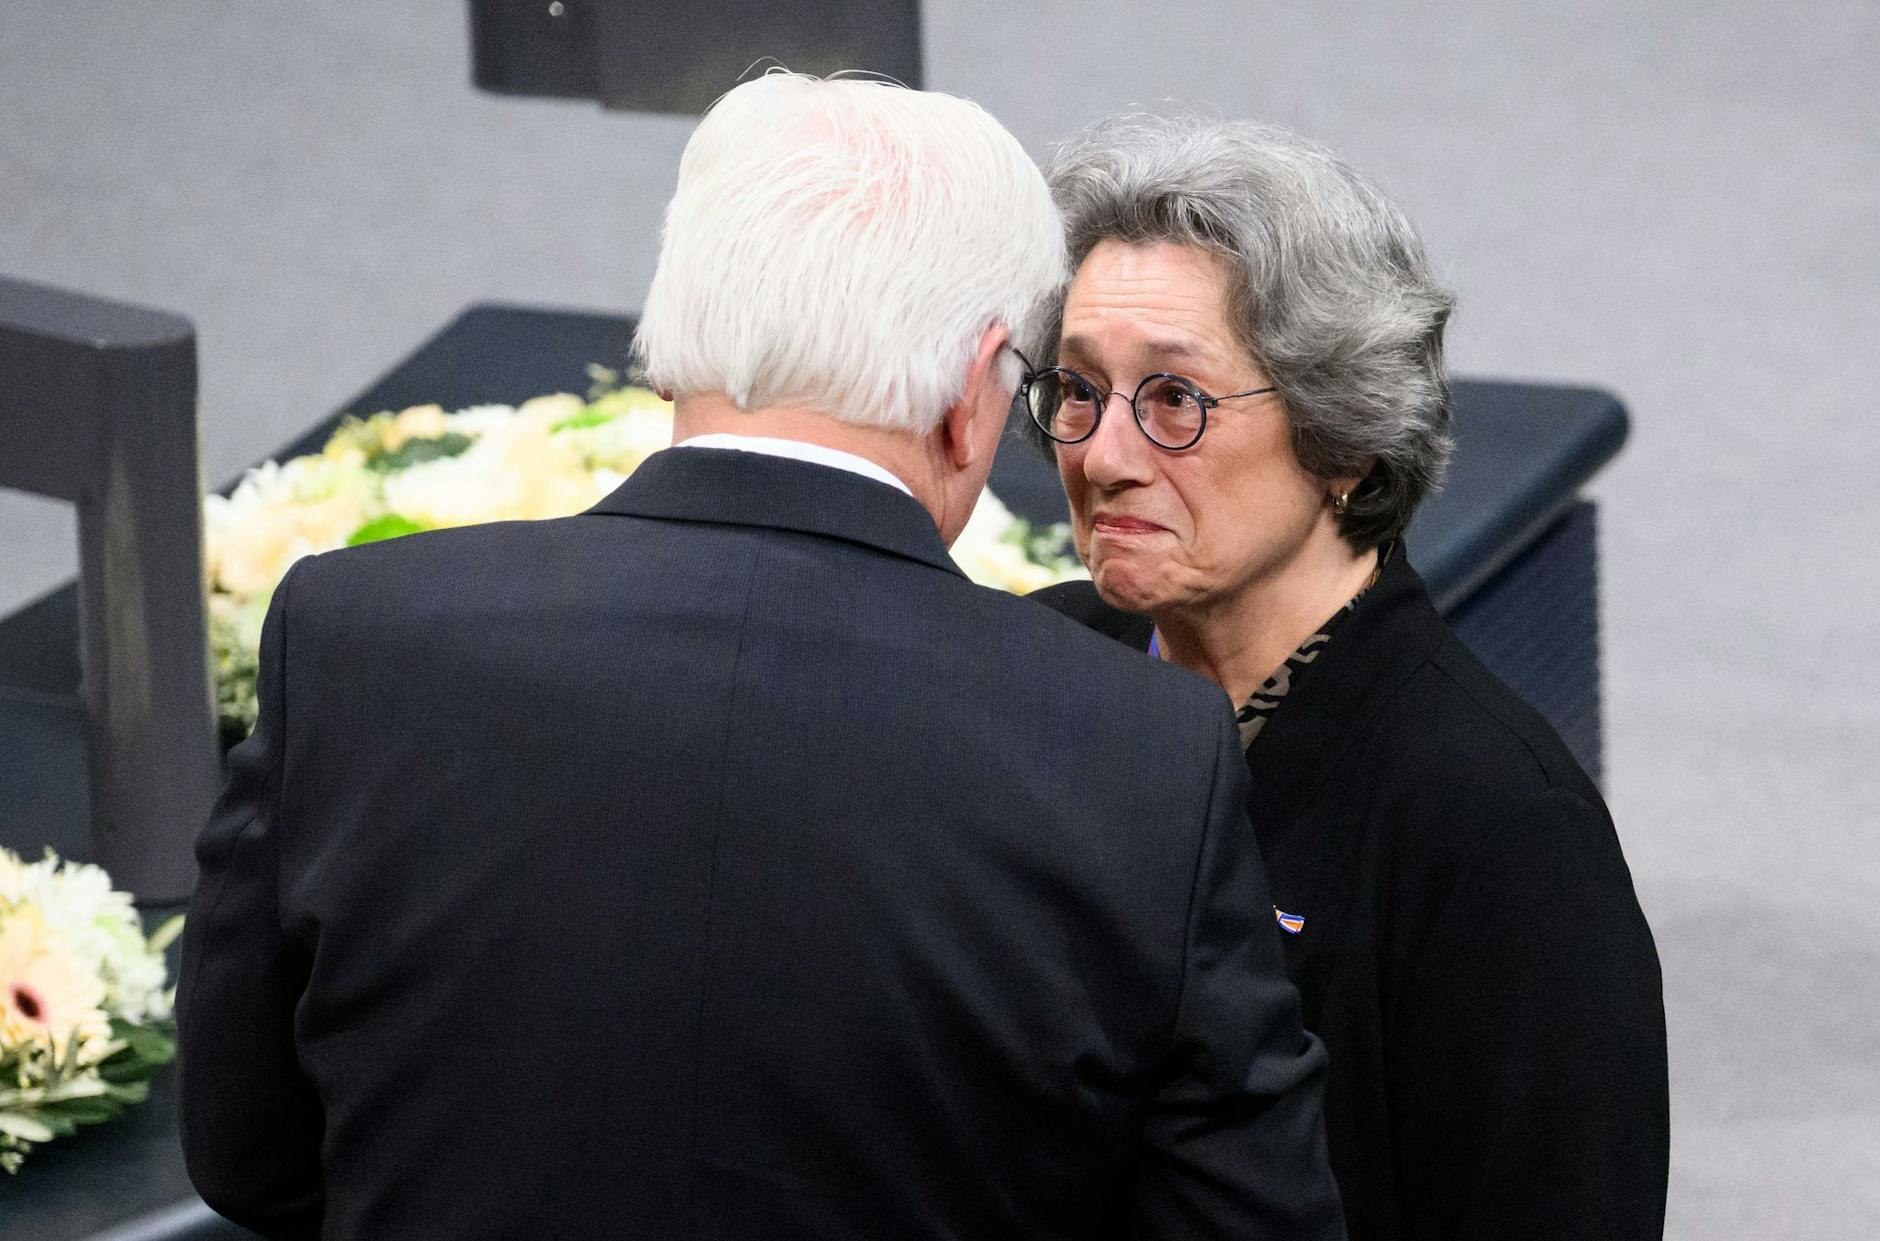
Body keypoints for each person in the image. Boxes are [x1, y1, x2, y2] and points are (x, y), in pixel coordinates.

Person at [177, 75, 1344, 1240]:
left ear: (675, 340)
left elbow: (248, 1153)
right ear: (967, 392)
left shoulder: (353, 639)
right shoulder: (1136, 751)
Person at [1028, 115, 1669, 1241]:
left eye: (1174, 398)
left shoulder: (1498, 830)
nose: (1102, 454)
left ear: (1343, 438)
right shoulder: (1020, 680)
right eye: (1077, 388)